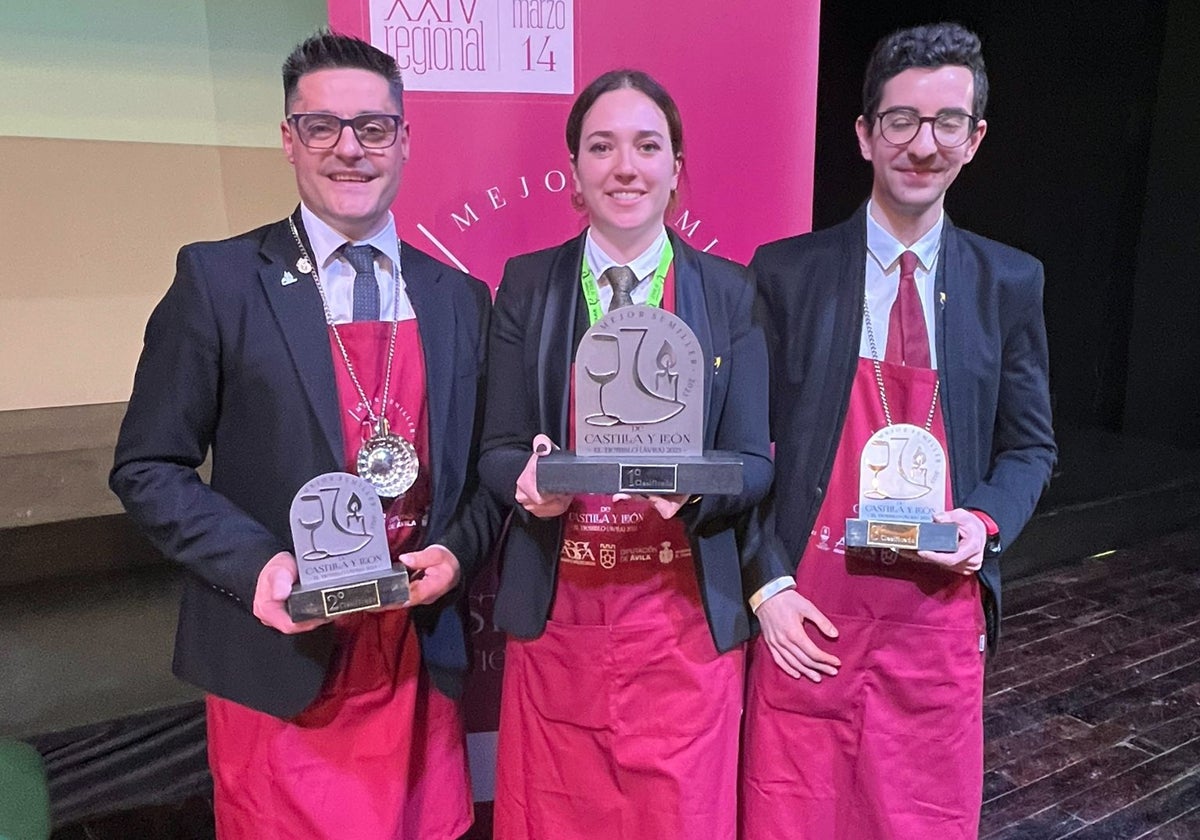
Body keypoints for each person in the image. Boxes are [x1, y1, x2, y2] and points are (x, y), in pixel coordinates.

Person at [110, 30, 500, 839]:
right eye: (322, 127)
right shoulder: (217, 281)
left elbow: (485, 477)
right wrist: (259, 568)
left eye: (373, 128)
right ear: (288, 140)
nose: (349, 149)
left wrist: (459, 549)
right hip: (282, 663)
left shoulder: (459, 297)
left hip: (416, 661)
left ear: (403, 139)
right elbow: (149, 466)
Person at [742, 22, 1057, 840]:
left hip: (936, 614)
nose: (924, 144)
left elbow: (1030, 447)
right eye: (901, 121)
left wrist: (981, 525)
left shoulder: (1009, 281)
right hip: (810, 609)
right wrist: (768, 587)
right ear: (864, 134)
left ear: (976, 138)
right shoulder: (785, 274)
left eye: (947, 122)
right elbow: (739, 450)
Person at [478, 69, 773, 839]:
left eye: (648, 146)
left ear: (678, 169)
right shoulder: (527, 286)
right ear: (574, 170)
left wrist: (701, 491)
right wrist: (528, 479)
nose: (625, 167)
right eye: (601, 147)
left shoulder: (730, 291)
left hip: (684, 629)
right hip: (559, 619)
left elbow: (753, 460)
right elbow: (497, 447)